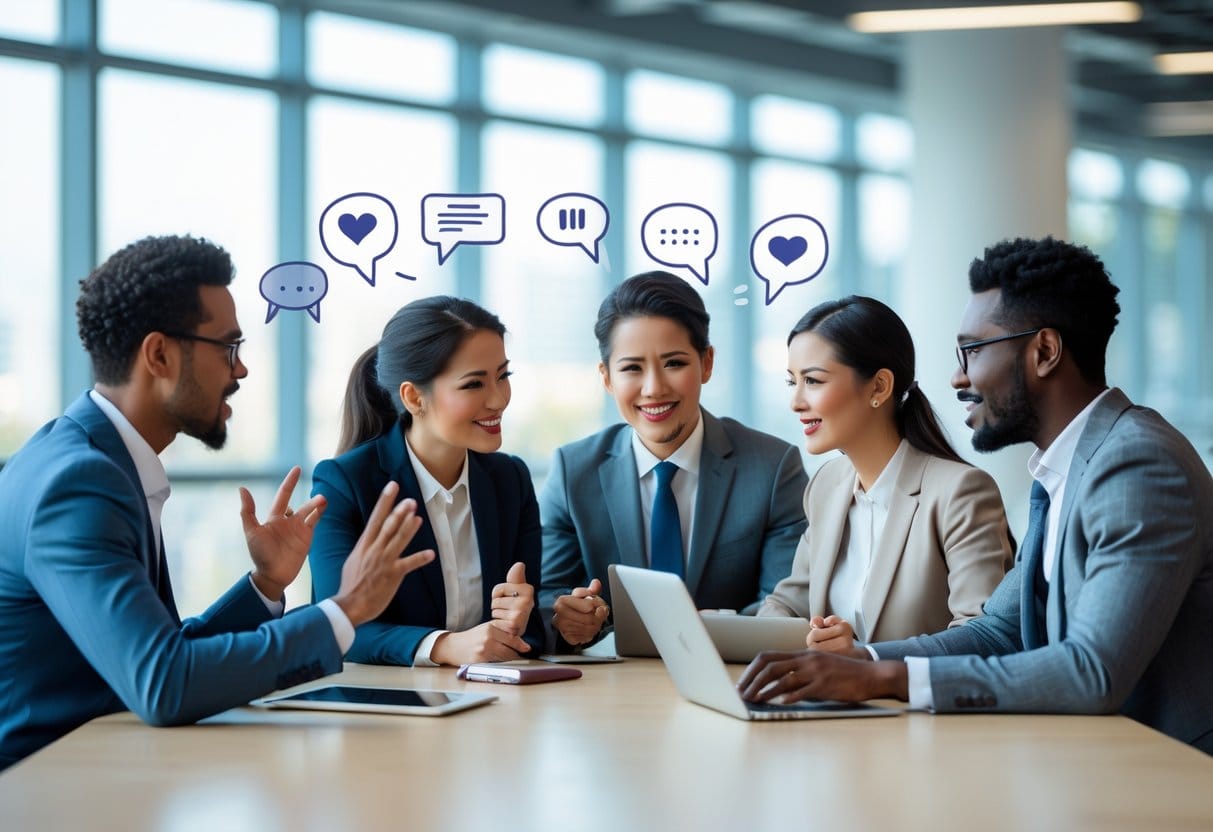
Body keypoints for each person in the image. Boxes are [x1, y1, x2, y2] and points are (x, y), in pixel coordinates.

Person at [738, 237, 1213, 755]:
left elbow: (1090, 671)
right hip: (1084, 760)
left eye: (973, 350)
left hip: (1166, 777)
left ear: (1044, 352)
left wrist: (886, 681)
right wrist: (866, 661)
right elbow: (997, 630)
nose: (958, 376)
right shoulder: (1068, 469)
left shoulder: (1136, 464)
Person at [0, 235, 434, 771]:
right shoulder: (79, 482)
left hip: (108, 767)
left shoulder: (89, 456)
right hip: (49, 791)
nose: (241, 370)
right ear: (158, 354)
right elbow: (164, 682)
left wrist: (265, 585)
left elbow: (158, 656)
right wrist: (345, 610)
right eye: (228, 348)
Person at [540, 271, 808, 650]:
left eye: (674, 363)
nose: (654, 388)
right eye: (632, 368)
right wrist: (571, 619)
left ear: (707, 362)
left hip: (735, 681)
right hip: (614, 688)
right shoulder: (573, 471)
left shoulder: (773, 467)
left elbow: (784, 607)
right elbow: (549, 597)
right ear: (607, 378)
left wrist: (703, 630)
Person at [757, 296, 1012, 648]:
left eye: (813, 381)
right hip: (828, 698)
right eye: (792, 382)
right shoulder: (826, 486)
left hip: (915, 702)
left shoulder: (961, 493)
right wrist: (811, 637)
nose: (796, 402)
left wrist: (865, 659)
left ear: (879, 387)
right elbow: (784, 604)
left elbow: (982, 637)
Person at [308, 296, 545, 666]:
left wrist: (520, 621)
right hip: (381, 708)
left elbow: (528, 632)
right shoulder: (345, 483)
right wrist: (445, 646)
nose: (498, 399)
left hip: (491, 704)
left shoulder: (510, 480)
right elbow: (336, 625)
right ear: (414, 396)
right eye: (473, 385)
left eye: (503, 376)